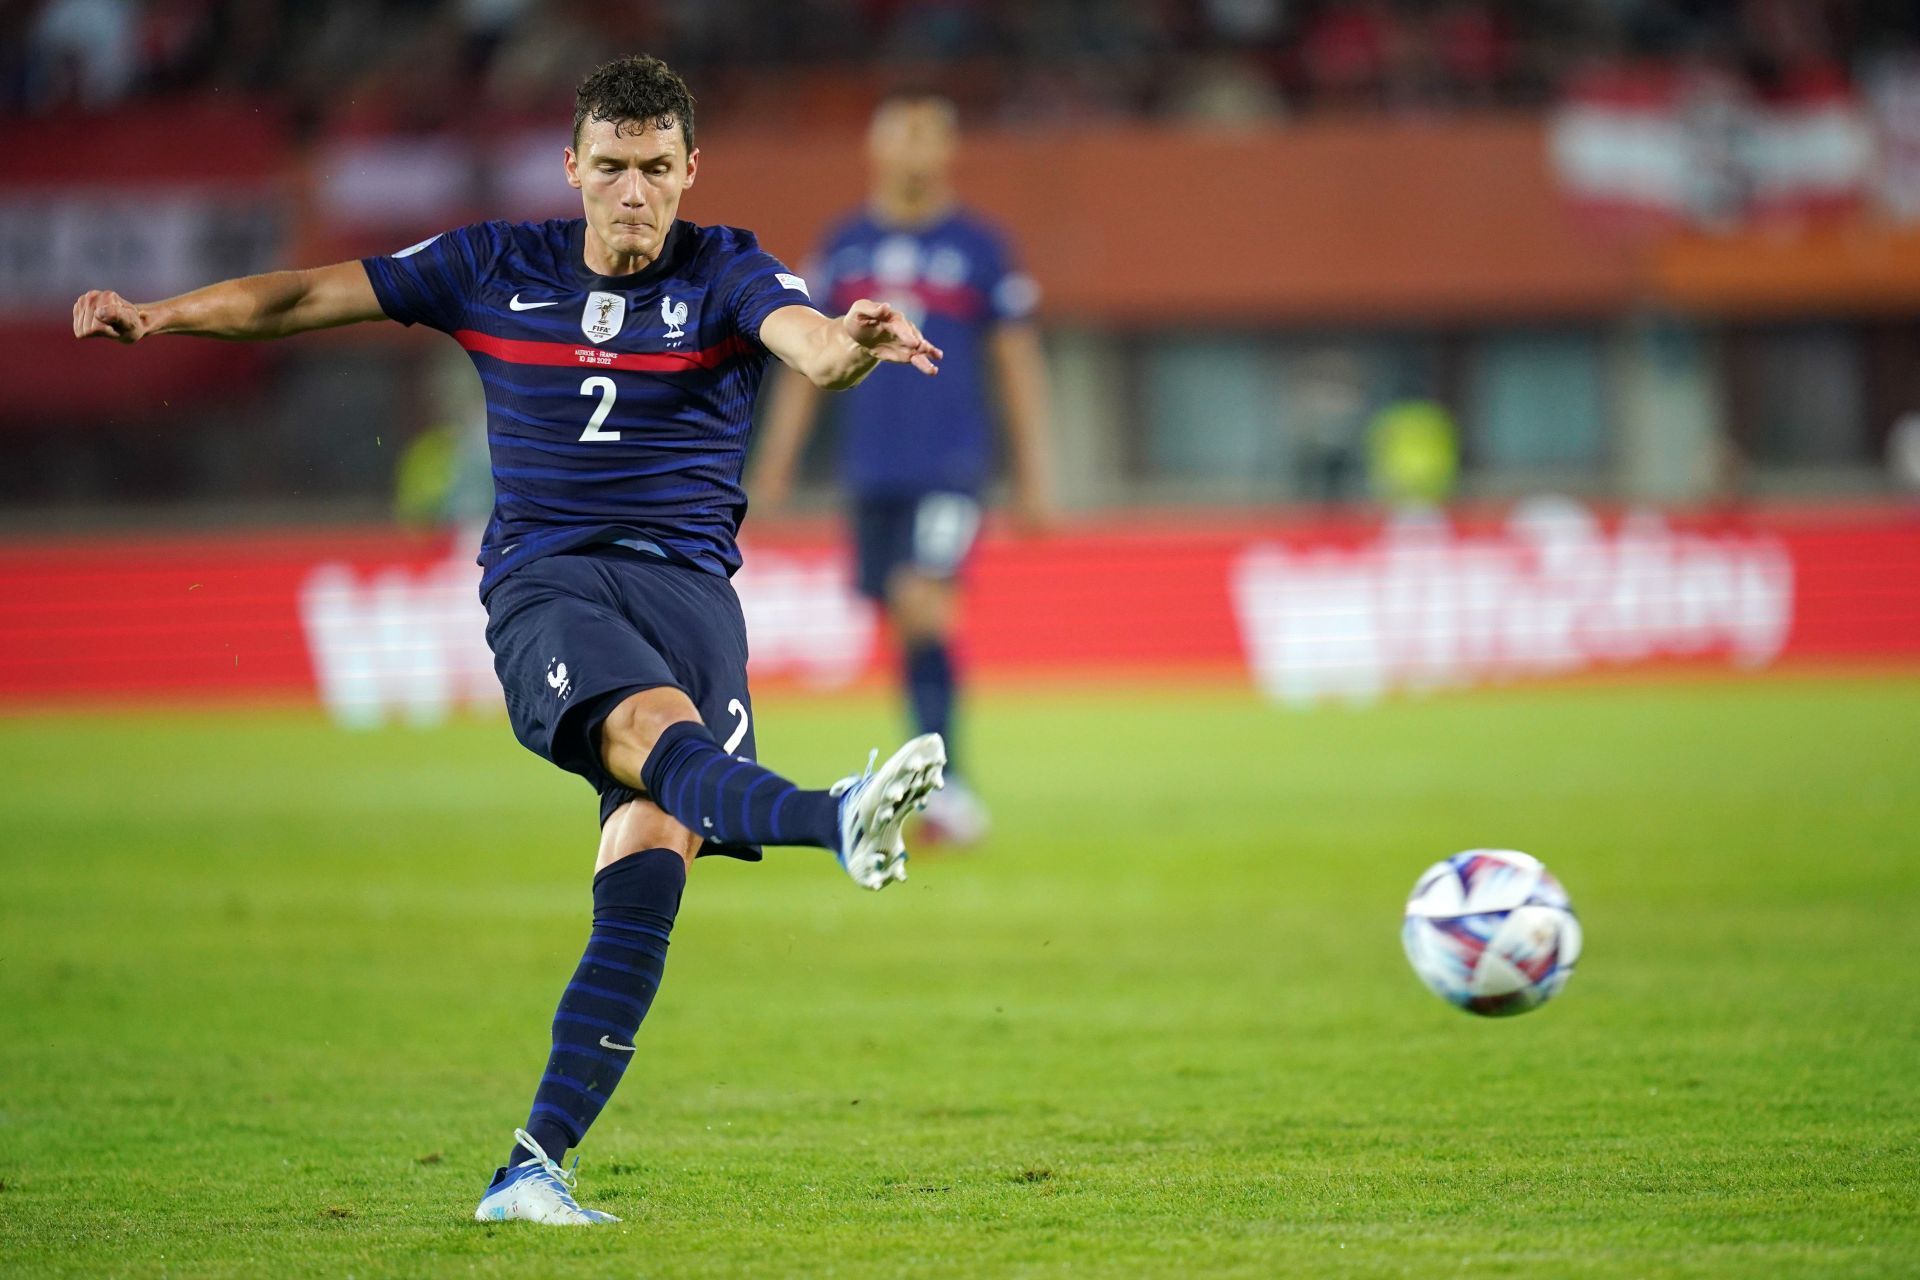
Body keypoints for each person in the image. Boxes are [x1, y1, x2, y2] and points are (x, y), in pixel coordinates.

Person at [72, 55, 949, 1227]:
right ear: (572, 167)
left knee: (649, 866)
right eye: (611, 168)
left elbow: (809, 344)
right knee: (656, 733)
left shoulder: (726, 266)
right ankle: (836, 816)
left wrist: (849, 342)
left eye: (654, 170)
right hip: (551, 584)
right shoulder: (491, 265)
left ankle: (532, 1168)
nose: (632, 193)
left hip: (692, 598)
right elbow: (298, 299)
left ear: (690, 170)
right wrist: (158, 313)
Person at [752, 92, 1052, 846]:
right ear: (877, 151)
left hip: (952, 463)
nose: (916, 153)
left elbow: (1015, 360)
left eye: (929, 138)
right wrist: (776, 464)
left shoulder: (981, 246)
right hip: (872, 467)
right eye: (903, 138)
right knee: (904, 617)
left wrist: (1034, 472)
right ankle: (941, 777)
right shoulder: (844, 246)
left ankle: (951, 790)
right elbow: (802, 357)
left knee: (925, 603)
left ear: (948, 152)